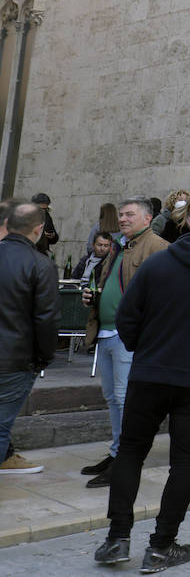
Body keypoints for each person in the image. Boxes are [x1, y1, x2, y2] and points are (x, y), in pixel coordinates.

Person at [92, 200, 190, 573]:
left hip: (151, 372)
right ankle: (161, 545)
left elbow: (127, 315)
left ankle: (117, 539)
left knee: (131, 451)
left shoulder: (160, 262)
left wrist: (144, 349)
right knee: (184, 461)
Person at [81, 198, 170, 488]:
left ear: (148, 218)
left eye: (130, 214)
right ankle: (116, 452)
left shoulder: (157, 246)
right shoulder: (119, 245)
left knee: (124, 399)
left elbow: (162, 295)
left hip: (128, 335)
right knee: (112, 398)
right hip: (106, 331)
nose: (122, 219)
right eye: (121, 214)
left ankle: (126, 460)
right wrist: (94, 297)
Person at [0, 203, 59, 474]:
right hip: (15, 359)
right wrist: (44, 357)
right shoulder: (40, 264)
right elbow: (45, 319)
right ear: (38, 230)